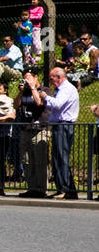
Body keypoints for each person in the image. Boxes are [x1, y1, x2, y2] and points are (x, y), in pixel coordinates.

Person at [25, 66, 78, 200]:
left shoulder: (66, 89)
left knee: (61, 157)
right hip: (58, 126)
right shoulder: (61, 89)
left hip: (63, 126)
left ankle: (66, 189)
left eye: (52, 78)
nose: (51, 81)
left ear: (59, 77)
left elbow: (58, 104)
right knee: (57, 158)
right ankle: (64, 188)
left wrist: (45, 97)